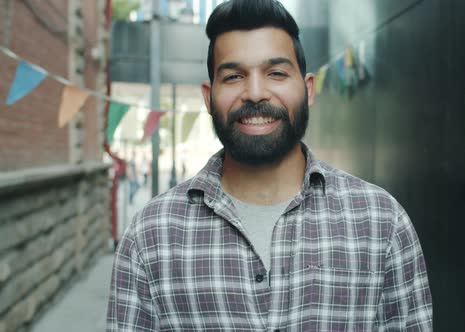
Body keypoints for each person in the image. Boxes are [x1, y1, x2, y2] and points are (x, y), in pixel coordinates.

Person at [107, 0, 432, 330]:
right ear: (208, 97)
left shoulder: (381, 222)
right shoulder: (151, 235)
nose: (255, 93)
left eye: (276, 73)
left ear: (307, 90)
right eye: (234, 76)